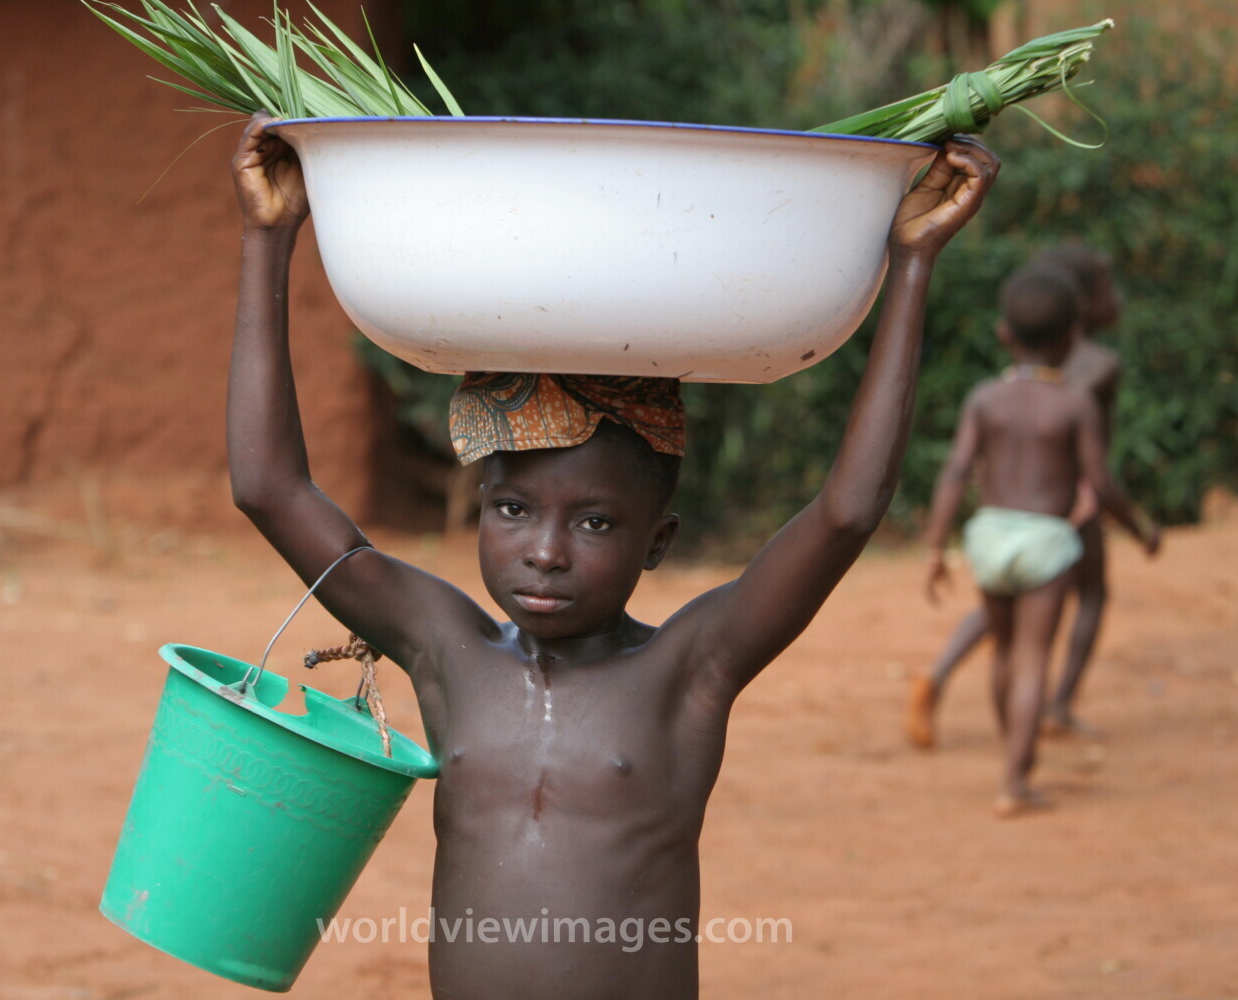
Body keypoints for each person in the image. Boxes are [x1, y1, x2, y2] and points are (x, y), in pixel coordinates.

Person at [226, 111, 996, 998]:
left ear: (656, 541)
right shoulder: (444, 647)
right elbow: (269, 490)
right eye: (514, 509)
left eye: (594, 524)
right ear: (480, 507)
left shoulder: (690, 667)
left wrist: (910, 265)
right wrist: (267, 237)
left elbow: (846, 513)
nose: (545, 552)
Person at [918, 264, 1159, 816]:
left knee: (1004, 654)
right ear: (1073, 338)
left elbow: (955, 471)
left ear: (1004, 333)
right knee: (1032, 661)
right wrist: (1141, 529)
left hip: (989, 535)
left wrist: (936, 547)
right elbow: (1100, 484)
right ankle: (1014, 782)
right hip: (1045, 542)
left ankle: (1012, 751)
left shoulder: (984, 398)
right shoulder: (1074, 404)